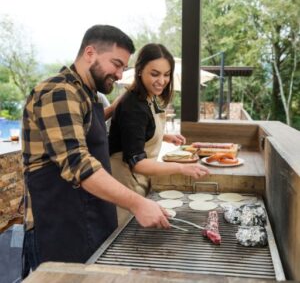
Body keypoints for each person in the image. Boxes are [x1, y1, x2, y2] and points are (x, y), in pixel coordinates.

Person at [21, 25, 170, 276]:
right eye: (117, 64)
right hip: (57, 227)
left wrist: (117, 105)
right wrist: (138, 204)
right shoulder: (59, 92)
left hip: (85, 219)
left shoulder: (85, 92)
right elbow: (78, 163)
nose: (121, 75)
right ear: (90, 53)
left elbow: (91, 121)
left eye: (123, 67)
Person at [108, 43, 210, 223]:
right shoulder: (133, 106)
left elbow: (139, 131)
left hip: (137, 180)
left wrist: (164, 136)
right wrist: (181, 168)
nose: (162, 81)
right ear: (139, 71)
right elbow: (137, 164)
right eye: (155, 74)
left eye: (166, 74)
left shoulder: (149, 96)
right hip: (124, 181)